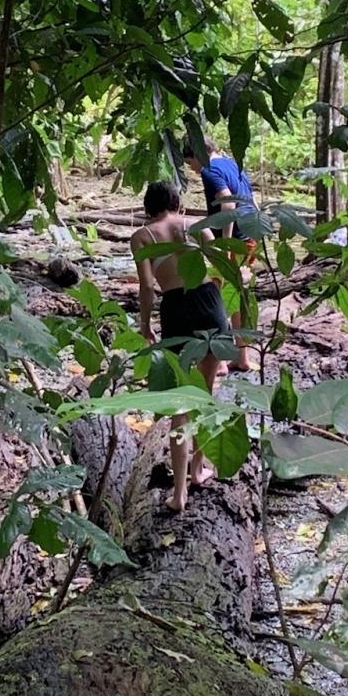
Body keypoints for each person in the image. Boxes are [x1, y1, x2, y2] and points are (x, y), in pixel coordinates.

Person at [130, 180, 229, 512]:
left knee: (180, 404)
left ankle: (178, 493)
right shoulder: (196, 225)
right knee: (206, 394)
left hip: (175, 309)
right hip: (208, 301)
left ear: (148, 206)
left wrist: (145, 325)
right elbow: (219, 262)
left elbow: (147, 286)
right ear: (177, 202)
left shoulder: (143, 236)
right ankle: (200, 471)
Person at [182, 135, 257, 372]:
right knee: (237, 297)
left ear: (196, 154)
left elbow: (227, 202)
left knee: (217, 297)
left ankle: (221, 361)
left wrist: (224, 244)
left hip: (233, 241)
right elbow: (251, 200)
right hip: (250, 237)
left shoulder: (209, 169)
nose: (192, 169)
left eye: (189, 162)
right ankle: (241, 357)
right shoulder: (232, 164)